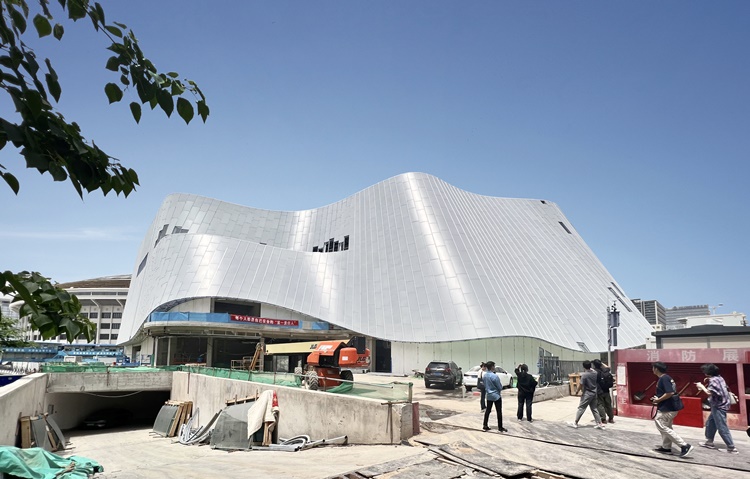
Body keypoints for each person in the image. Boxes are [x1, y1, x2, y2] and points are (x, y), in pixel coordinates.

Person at [651, 361, 693, 458]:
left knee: (661, 425)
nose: (652, 369)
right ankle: (666, 447)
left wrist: (658, 400)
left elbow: (669, 393)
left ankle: (684, 445)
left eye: (653, 368)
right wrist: (657, 398)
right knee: (667, 427)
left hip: (667, 408)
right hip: (670, 407)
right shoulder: (667, 378)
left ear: (656, 369)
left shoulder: (663, 378)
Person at [696, 363, 738, 454]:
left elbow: (709, 392)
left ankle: (731, 447)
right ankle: (709, 442)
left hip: (719, 406)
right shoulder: (720, 378)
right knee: (710, 423)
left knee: (722, 427)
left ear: (708, 372)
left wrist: (701, 386)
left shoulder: (713, 380)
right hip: (719, 405)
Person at [567, 360, 605, 429]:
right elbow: (592, 370)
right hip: (594, 393)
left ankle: (575, 423)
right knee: (594, 408)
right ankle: (599, 423)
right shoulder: (595, 373)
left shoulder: (584, 375)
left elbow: (581, 385)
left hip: (587, 394)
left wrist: (576, 392)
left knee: (581, 408)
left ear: (584, 367)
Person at [482, 361, 507, 432]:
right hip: (496, 396)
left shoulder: (485, 376)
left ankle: (485, 425)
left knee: (488, 411)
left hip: (489, 395)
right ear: (492, 367)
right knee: (499, 411)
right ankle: (500, 427)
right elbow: (499, 387)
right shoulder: (495, 376)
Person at [593, 359, 615, 424]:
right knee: (608, 404)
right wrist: (601, 363)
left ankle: (603, 419)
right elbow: (608, 367)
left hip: (599, 391)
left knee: (600, 405)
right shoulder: (605, 370)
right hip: (606, 390)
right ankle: (611, 418)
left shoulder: (595, 372)